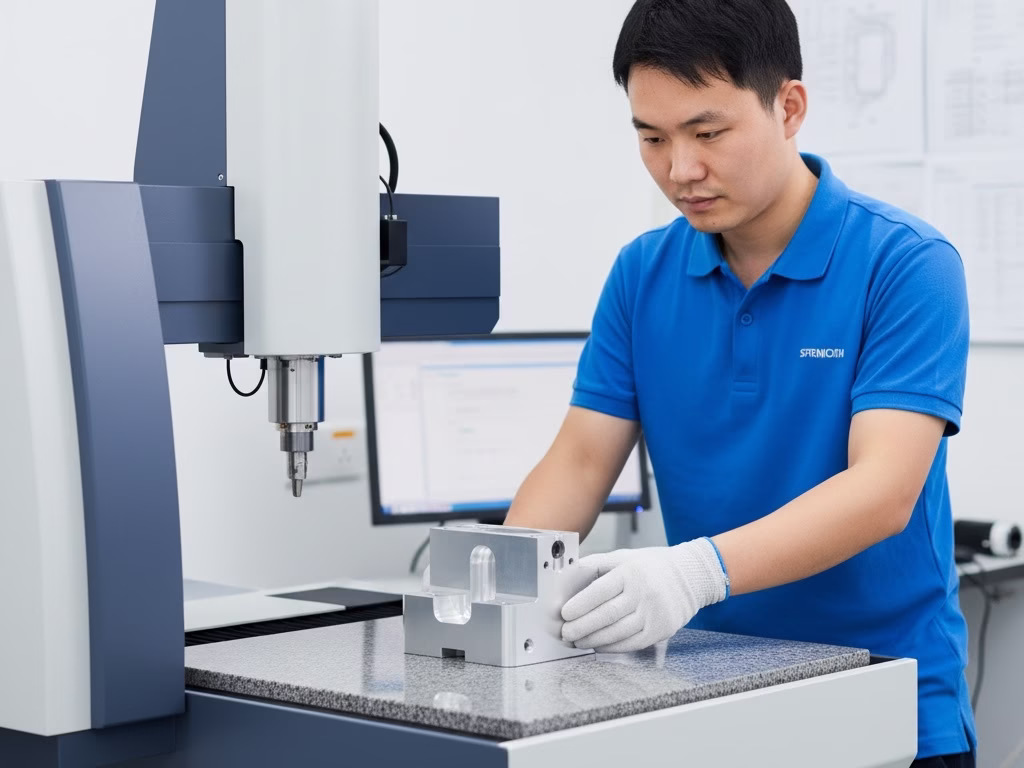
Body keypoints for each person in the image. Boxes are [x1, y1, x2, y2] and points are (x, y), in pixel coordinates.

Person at [502, 0, 975, 764]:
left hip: (885, 703)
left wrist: (695, 571)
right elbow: (581, 462)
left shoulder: (906, 264)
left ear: (788, 107)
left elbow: (883, 489)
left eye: (707, 133)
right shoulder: (641, 274)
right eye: (652, 138)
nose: (680, 169)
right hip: (711, 700)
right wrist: (501, 584)